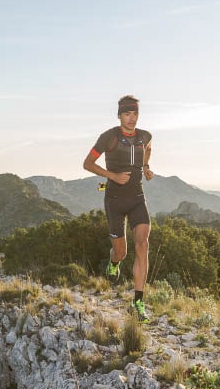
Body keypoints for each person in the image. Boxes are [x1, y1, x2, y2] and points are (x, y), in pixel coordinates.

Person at [83, 95, 154, 323]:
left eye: (135, 114)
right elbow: (87, 163)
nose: (131, 118)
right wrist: (112, 175)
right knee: (121, 252)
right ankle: (114, 263)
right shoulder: (109, 137)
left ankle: (138, 302)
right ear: (119, 115)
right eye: (127, 114)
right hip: (114, 199)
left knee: (142, 244)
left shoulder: (145, 136)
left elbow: (149, 149)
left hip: (137, 198)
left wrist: (146, 167)